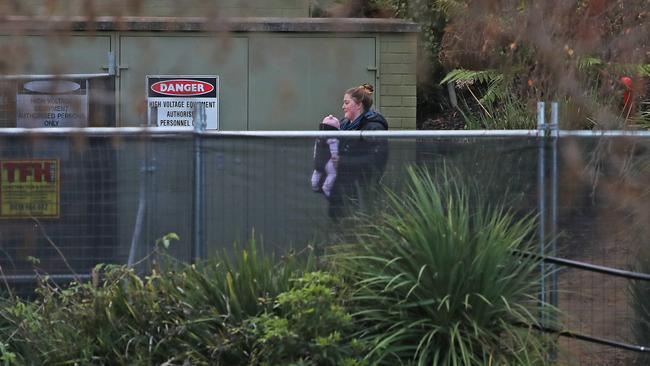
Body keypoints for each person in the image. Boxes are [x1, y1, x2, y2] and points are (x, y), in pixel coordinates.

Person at [327, 84, 389, 218]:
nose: (343, 107)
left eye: (346, 103)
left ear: (358, 104)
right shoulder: (344, 124)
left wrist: (343, 161)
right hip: (341, 189)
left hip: (362, 190)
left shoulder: (374, 127)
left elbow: (376, 160)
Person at [311, 115, 340, 197]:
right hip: (328, 161)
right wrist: (335, 158)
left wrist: (315, 157)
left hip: (318, 160)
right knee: (332, 174)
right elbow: (334, 151)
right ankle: (326, 187)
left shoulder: (318, 138)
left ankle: (314, 185)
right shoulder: (333, 139)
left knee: (317, 172)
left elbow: (315, 149)